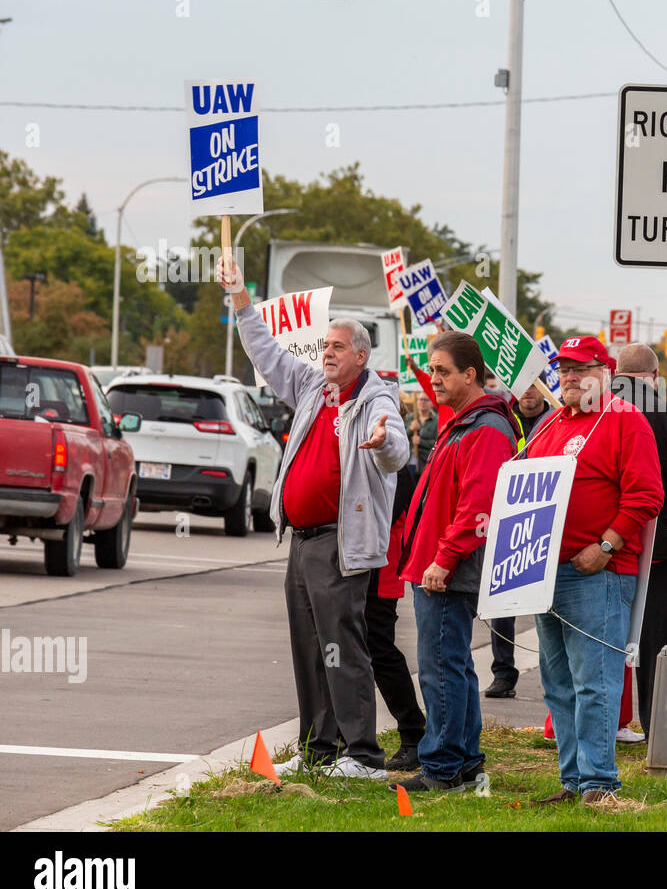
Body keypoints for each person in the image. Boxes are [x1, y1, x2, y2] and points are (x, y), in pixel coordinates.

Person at [222, 257, 410, 780]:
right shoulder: (310, 386)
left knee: (340, 644)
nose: (326, 353)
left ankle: (362, 753)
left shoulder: (376, 398)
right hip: (302, 542)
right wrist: (240, 297)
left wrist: (383, 444)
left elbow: (395, 444)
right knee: (307, 645)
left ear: (361, 355)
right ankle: (318, 746)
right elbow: (266, 349)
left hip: (339, 543)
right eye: (324, 346)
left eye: (337, 347)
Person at [524, 336, 663, 805]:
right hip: (545, 571)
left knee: (595, 682)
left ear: (606, 372)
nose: (568, 376)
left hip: (597, 573)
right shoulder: (550, 424)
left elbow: (646, 495)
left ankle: (600, 782)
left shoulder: (626, 420)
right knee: (559, 684)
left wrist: (606, 546)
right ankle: (574, 780)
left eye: (580, 368)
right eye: (563, 368)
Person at [394, 331, 519, 792]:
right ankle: (463, 762)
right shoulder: (466, 421)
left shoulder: (485, 428)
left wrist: (443, 561)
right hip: (439, 565)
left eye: (443, 370)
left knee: (441, 668)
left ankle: (442, 769)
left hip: (448, 570)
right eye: (432, 370)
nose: (434, 378)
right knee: (455, 666)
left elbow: (478, 507)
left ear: (470, 374)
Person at [609, 343, 667, 742]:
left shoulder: (596, 407)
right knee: (655, 638)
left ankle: (598, 726)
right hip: (654, 545)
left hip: (599, 545)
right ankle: (656, 726)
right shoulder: (665, 413)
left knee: (600, 636)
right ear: (654, 375)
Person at [484, 385, 556, 699]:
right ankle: (503, 674)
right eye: (522, 387)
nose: (527, 393)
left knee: (551, 605)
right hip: (508, 515)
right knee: (503, 603)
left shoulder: (556, 419)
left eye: (533, 386)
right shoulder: (505, 417)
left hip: (545, 515)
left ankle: (555, 678)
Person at [366, 453, 426, 771]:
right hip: (364, 562)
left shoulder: (394, 460)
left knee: (379, 650)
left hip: (379, 564)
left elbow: (387, 514)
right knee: (366, 650)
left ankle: (414, 734)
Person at [410, 391, 439, 476]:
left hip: (427, 462)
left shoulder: (436, 421)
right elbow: (402, 437)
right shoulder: (410, 417)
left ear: (431, 403)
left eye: (426, 400)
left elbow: (437, 442)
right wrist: (410, 429)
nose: (423, 402)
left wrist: (421, 442)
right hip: (410, 462)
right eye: (420, 399)